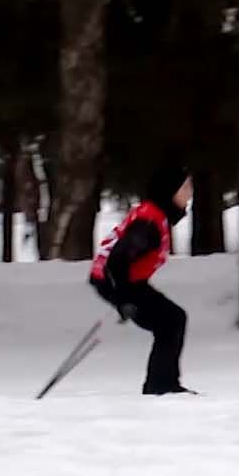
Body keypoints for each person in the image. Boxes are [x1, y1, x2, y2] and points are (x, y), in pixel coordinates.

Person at [89, 162, 196, 395]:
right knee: (171, 321)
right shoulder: (149, 223)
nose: (190, 193)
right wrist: (123, 299)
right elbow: (117, 262)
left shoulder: (157, 216)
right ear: (170, 190)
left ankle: (162, 384)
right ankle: (161, 386)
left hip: (126, 280)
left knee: (172, 320)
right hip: (115, 279)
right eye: (186, 187)